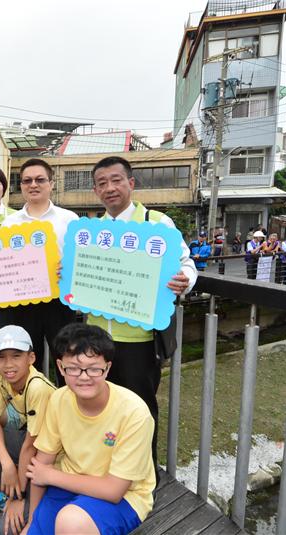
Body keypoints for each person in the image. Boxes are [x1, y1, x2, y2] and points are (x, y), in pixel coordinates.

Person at [87, 156, 195, 466]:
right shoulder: (92, 231)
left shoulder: (157, 224)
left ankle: (145, 474)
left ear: (131, 183)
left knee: (140, 408)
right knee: (102, 407)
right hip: (97, 338)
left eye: (116, 180)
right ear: (96, 190)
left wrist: (186, 279)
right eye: (103, 183)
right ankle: (107, 467)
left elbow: (185, 262)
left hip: (140, 338)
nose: (110, 188)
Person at [22, 323, 155, 535]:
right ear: (60, 366)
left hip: (125, 497)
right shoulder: (59, 399)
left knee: (71, 522)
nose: (84, 377)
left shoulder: (134, 412)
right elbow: (42, 465)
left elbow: (114, 490)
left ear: (108, 368)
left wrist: (50, 476)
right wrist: (31, 522)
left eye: (94, 368)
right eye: (73, 368)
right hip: (68, 484)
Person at [0, 325, 56, 521]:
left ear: (31, 358)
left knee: (6, 528)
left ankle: (22, 493)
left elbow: (30, 448)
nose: (8, 364)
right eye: (1, 357)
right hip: (29, 441)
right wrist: (7, 465)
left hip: (54, 456)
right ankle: (14, 485)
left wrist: (18, 497)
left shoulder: (38, 387)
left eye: (16, 356)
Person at [1, 159, 79, 379]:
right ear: (21, 186)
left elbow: (79, 262)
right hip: (24, 303)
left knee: (66, 357)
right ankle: (32, 407)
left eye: (39, 179)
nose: (33, 184)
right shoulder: (10, 223)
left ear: (51, 183)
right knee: (27, 359)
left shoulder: (69, 219)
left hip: (60, 301)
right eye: (27, 180)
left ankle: (68, 405)